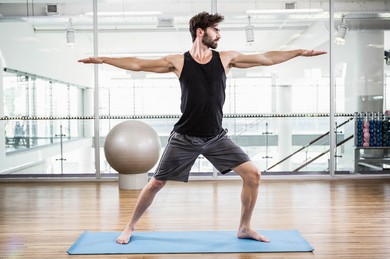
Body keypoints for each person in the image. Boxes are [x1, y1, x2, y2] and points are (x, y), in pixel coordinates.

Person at [79, 12, 326, 244]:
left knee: (253, 175)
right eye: (215, 30)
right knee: (156, 183)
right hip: (184, 137)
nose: (219, 35)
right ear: (200, 32)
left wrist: (300, 52)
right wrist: (103, 59)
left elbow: (266, 58)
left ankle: (244, 227)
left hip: (216, 137)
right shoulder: (178, 61)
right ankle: (130, 226)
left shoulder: (226, 58)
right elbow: (138, 64)